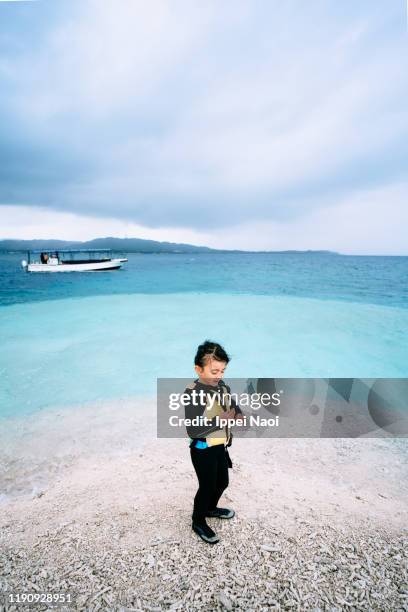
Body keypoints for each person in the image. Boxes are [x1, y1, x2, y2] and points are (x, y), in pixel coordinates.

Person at [184, 340, 244, 544]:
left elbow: (231, 404)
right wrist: (221, 420)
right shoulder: (193, 393)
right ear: (199, 369)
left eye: (222, 371)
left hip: (220, 446)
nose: (219, 376)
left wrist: (238, 413)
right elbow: (192, 429)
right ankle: (197, 521)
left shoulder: (222, 387)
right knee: (207, 486)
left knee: (222, 482)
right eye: (214, 371)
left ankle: (210, 508)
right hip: (202, 449)